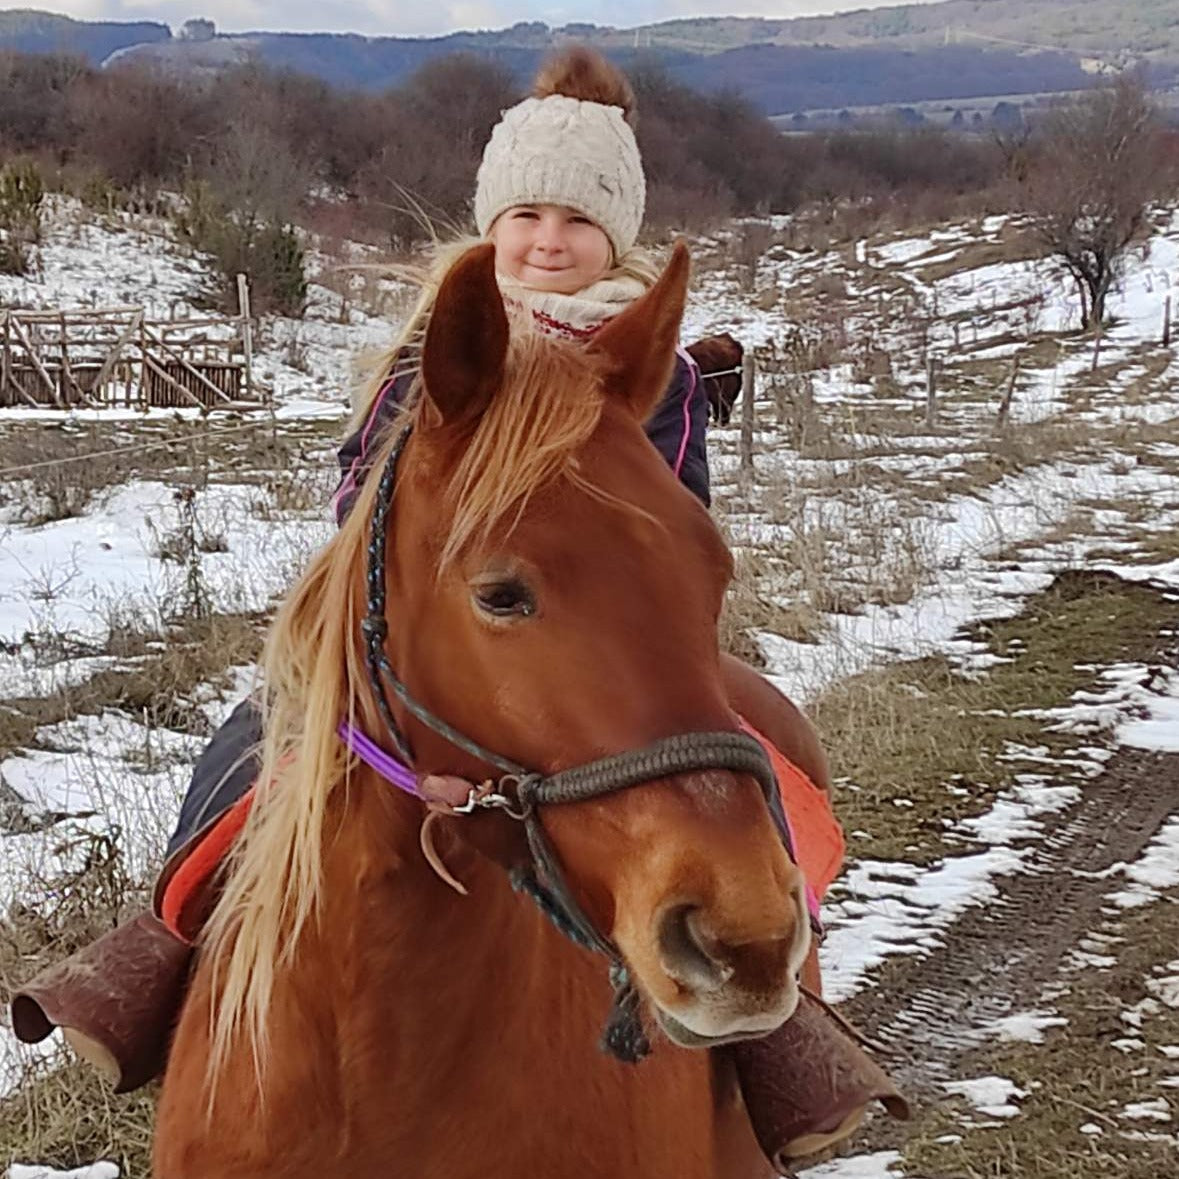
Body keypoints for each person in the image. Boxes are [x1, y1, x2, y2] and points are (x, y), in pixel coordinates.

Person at [13, 47, 894, 1162]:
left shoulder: (646, 370)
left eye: (576, 221)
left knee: (758, 778)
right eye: (525, 214)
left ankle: (777, 1019)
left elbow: (677, 518)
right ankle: (165, 945)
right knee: (252, 760)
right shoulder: (434, 351)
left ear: (613, 238)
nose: (547, 240)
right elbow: (359, 488)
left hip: (620, 643)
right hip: (426, 633)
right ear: (492, 225)